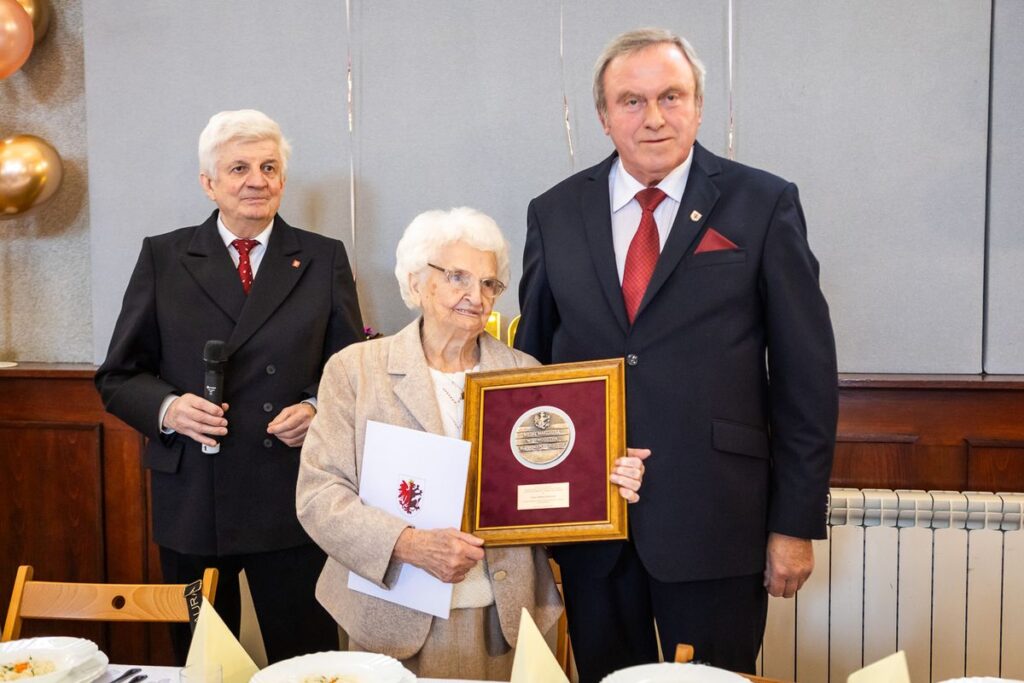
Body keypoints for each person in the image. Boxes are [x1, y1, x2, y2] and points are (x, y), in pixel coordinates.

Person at [515, 28, 838, 681]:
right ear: (603, 117)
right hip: (592, 528)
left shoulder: (763, 204)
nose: (654, 117)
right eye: (631, 101)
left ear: (697, 106)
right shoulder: (553, 212)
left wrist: (795, 522)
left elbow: (806, 377)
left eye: (671, 96)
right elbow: (533, 375)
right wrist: (539, 512)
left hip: (718, 523)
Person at [296, 207, 649, 680]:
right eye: (457, 276)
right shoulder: (356, 370)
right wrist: (408, 544)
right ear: (417, 282)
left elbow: (557, 491)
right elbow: (319, 496)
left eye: (489, 284)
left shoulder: (526, 373)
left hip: (507, 619)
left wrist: (608, 479)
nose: (476, 296)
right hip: (392, 617)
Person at [95, 109, 363, 663]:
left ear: (283, 180)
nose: (256, 180)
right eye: (239, 167)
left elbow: (350, 370)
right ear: (209, 183)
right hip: (194, 497)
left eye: (269, 166)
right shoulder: (163, 257)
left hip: (292, 494)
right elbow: (118, 376)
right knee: (203, 661)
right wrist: (169, 409)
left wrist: (317, 408)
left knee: (310, 662)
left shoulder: (321, 257)